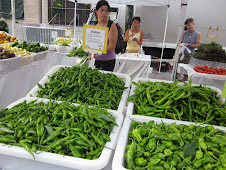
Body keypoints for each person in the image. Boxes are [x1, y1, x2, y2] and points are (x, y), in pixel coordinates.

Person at [87, 0, 118, 72]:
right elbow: (93, 44)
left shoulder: (111, 25)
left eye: (106, 11)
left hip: (108, 61)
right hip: (96, 60)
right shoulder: (94, 25)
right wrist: (91, 53)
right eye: (102, 10)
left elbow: (111, 47)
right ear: (96, 11)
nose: (104, 13)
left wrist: (96, 52)